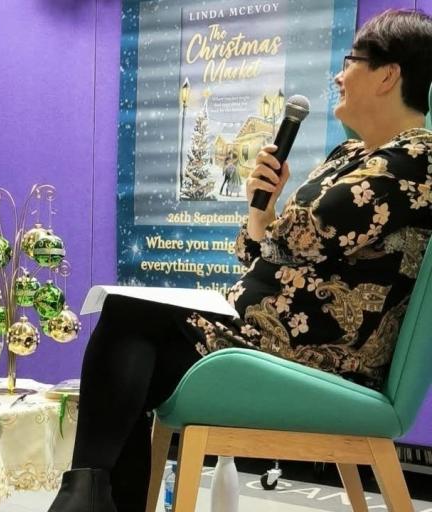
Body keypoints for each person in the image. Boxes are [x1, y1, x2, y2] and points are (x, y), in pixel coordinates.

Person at [48, 9, 432, 512]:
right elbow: (265, 249)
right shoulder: (350, 156)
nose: (339, 75)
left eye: (351, 61)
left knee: (129, 322)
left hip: (323, 358)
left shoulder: (415, 160)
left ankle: (82, 496)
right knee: (132, 339)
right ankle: (94, 495)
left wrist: (278, 220)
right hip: (262, 334)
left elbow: (306, 235)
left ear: (388, 74)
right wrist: (266, 211)